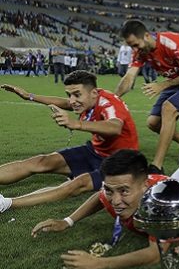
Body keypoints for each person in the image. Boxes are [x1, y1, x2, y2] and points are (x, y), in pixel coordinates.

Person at [30, 150, 179, 269]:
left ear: (144, 186)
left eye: (124, 191)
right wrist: (68, 221)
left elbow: (155, 254)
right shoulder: (115, 190)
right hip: (176, 185)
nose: (116, 200)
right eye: (111, 190)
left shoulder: (161, 205)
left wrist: (99, 263)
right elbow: (99, 197)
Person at [0, 70, 138, 213]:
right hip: (96, 151)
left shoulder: (109, 103)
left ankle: (5, 203)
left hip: (121, 162)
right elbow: (66, 103)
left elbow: (115, 126)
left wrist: (76, 124)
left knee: (76, 185)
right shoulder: (88, 99)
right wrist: (29, 96)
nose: (72, 100)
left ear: (94, 94)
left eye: (77, 95)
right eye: (70, 94)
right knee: (42, 161)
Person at [117, 19, 179, 174]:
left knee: (168, 108)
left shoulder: (171, 44)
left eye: (135, 44)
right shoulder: (140, 52)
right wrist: (114, 98)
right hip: (177, 82)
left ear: (147, 36)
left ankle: (156, 167)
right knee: (153, 123)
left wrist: (161, 86)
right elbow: (129, 77)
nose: (135, 49)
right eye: (131, 46)